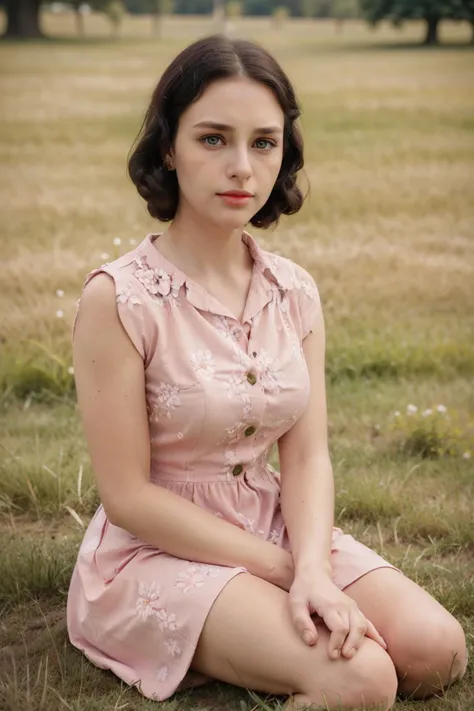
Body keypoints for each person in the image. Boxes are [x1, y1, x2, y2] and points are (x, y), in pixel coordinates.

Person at [67, 33, 467, 710]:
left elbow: (307, 456)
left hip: (274, 523)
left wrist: (313, 564)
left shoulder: (294, 291)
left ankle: (263, 635)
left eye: (264, 142)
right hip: (155, 551)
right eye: (213, 139)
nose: (242, 168)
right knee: (364, 677)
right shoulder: (119, 299)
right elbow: (129, 495)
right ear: (168, 147)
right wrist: (289, 573)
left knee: (437, 647)